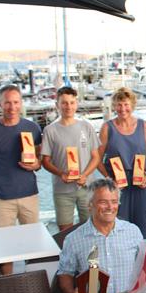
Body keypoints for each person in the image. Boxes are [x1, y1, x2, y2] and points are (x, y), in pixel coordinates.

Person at [0, 84, 42, 275]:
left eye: (15, 102)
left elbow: (39, 162)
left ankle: (33, 284)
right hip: (2, 200)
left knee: (33, 245)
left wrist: (35, 165)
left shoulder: (33, 128)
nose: (12, 107)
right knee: (5, 250)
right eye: (7, 103)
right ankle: (7, 286)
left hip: (30, 196)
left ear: (21, 103)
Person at [41, 86, 101, 231]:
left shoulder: (86, 127)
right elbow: (45, 161)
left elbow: (96, 157)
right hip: (62, 190)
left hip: (86, 187)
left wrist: (84, 175)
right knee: (65, 231)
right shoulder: (50, 130)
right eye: (64, 103)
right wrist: (61, 173)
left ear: (76, 104)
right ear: (57, 105)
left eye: (72, 102)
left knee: (90, 228)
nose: (68, 106)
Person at [96, 87, 146, 239]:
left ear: (132, 105)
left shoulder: (144, 125)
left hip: (141, 183)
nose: (123, 108)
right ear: (114, 106)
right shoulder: (107, 127)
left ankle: (142, 263)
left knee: (143, 228)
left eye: (126, 104)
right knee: (119, 228)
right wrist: (109, 179)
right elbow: (97, 158)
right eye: (119, 104)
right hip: (118, 185)